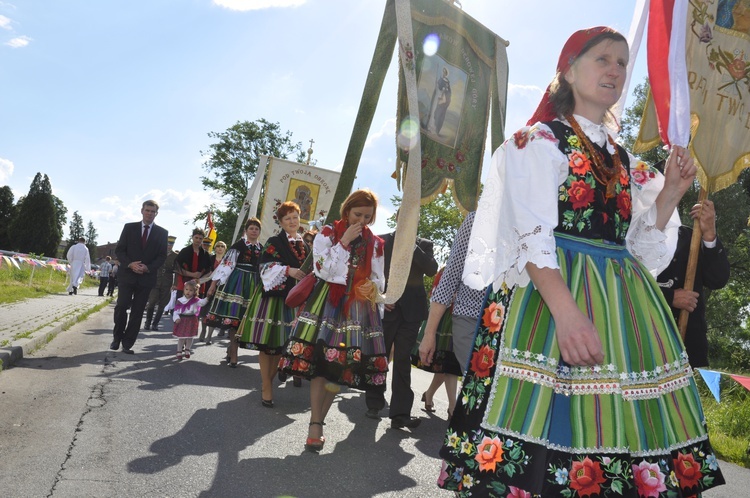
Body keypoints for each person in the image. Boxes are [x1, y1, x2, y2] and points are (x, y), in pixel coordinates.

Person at [436, 27, 725, 497]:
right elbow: (531, 236)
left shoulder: (628, 163)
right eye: (603, 59)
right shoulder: (539, 143)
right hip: (551, 299)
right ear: (568, 71)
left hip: (620, 305)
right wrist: (567, 316)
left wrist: (670, 194)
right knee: (546, 422)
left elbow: (641, 250)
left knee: (612, 429)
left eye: (622, 63)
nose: (615, 69)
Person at [278, 189, 387, 452]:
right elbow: (323, 269)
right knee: (322, 364)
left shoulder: (377, 244)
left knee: (340, 367)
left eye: (367, 216)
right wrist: (344, 242)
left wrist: (374, 290)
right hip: (328, 302)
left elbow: (377, 278)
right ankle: (315, 424)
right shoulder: (328, 233)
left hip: (358, 310)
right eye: (357, 214)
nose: (361, 220)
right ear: (347, 210)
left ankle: (320, 421)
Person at [363, 211, 438, 429]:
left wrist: (412, 245)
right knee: (380, 356)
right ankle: (374, 403)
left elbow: (431, 270)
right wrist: (381, 297)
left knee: (403, 361)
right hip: (386, 308)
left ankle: (400, 414)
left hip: (412, 313)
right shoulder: (382, 241)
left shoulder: (424, 244)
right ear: (397, 217)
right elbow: (369, 273)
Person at [416, 212, 487, 418]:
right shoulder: (477, 218)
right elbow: (447, 280)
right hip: (467, 317)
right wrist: (429, 334)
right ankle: (455, 409)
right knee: (470, 381)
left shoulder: (536, 214)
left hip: (512, 322)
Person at [238, 202, 308, 406]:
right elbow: (265, 266)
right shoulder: (275, 242)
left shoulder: (303, 244)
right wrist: (289, 270)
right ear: (281, 222)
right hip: (273, 296)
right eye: (288, 219)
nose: (292, 221)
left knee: (282, 344)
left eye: (295, 217)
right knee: (268, 342)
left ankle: (268, 380)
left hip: (295, 298)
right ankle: (266, 385)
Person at [657, 199, 730, 368]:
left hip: (688, 352)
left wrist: (710, 233)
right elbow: (620, 287)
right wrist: (668, 297)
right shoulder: (627, 237)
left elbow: (717, 279)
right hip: (644, 343)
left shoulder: (692, 238)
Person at [111, 200, 168, 354]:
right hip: (127, 275)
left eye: (153, 211)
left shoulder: (162, 233)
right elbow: (120, 250)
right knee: (122, 306)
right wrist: (130, 264)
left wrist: (148, 267)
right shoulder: (129, 228)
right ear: (142, 211)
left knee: (137, 312)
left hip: (146, 278)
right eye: (147, 210)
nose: (150, 213)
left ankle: (127, 343)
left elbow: (162, 256)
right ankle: (117, 338)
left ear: (157, 213)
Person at [203, 218, 264, 362]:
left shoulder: (263, 248)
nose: (254, 231)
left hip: (254, 283)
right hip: (237, 282)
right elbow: (225, 267)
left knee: (245, 318)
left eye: (256, 229)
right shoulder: (238, 246)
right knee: (233, 318)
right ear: (246, 231)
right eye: (251, 228)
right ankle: (234, 352)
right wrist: (213, 285)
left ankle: (232, 347)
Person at [144, 235, 178, 331]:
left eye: (171, 244)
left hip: (167, 282)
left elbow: (177, 271)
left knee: (163, 304)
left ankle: (155, 324)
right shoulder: (157, 253)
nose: (169, 246)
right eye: (167, 243)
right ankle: (148, 322)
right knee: (152, 302)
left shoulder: (175, 256)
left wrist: (175, 284)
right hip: (155, 280)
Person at [198, 240, 227, 342]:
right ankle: (203, 331)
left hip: (221, 288)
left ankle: (209, 335)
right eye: (218, 246)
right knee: (205, 310)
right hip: (208, 287)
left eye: (222, 246)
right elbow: (204, 272)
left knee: (214, 311)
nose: (220, 248)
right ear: (215, 248)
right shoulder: (210, 258)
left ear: (225, 249)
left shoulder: (227, 260)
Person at [172, 280, 208, 360]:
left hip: (192, 320)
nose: (188, 292)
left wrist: (208, 297)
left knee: (190, 336)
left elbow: (202, 303)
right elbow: (176, 311)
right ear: (184, 290)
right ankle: (179, 351)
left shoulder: (196, 300)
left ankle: (187, 349)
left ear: (195, 291)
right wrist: (176, 318)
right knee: (181, 337)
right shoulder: (180, 300)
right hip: (182, 320)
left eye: (191, 290)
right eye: (186, 289)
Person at [174, 229, 212, 299]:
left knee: (194, 307)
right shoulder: (185, 251)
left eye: (200, 238)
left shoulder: (205, 254)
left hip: (198, 285)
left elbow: (209, 271)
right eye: (196, 238)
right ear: (192, 237)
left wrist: (199, 280)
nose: (198, 240)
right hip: (184, 284)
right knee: (181, 306)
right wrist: (192, 274)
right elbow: (177, 267)